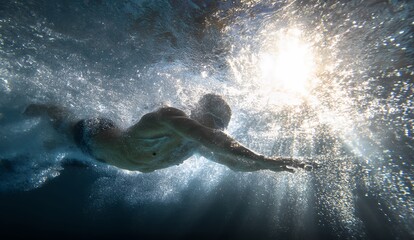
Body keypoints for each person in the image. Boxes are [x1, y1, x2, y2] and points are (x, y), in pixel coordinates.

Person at [24, 94, 314, 173]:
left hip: (100, 160)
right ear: (198, 111)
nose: (215, 128)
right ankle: (33, 107)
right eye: (212, 119)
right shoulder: (169, 117)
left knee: (50, 154)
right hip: (91, 135)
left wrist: (268, 168)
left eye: (221, 124)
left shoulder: (190, 146)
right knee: (58, 121)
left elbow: (232, 163)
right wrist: (264, 159)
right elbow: (215, 141)